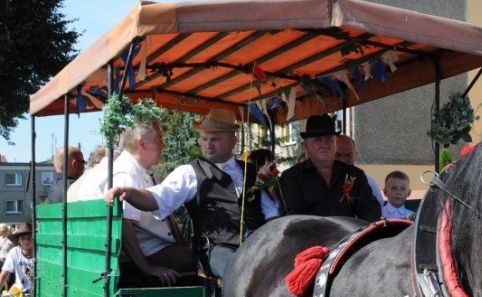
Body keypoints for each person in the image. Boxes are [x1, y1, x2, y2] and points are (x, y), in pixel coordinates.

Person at [105, 108, 279, 278]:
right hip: (215, 251)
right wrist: (128, 192)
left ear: (233, 142)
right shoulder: (189, 173)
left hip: (258, 245)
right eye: (204, 139)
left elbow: (271, 213)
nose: (208, 145)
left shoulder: (250, 171)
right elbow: (157, 198)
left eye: (215, 139)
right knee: (240, 270)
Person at [111, 121, 195, 284]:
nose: (163, 145)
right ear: (142, 143)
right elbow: (124, 225)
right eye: (159, 140)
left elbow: (167, 215)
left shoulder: (144, 169)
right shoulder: (126, 173)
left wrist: (185, 247)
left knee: (200, 256)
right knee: (206, 260)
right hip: (151, 253)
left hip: (160, 248)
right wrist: (148, 268)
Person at [279, 115, 381, 221]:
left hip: (350, 235)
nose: (324, 144)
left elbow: (370, 210)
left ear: (335, 144)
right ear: (307, 146)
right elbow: (292, 217)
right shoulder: (292, 177)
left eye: (328, 139)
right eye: (318, 140)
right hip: (308, 235)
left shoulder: (354, 175)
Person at [335, 134, 384, 206]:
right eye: (337, 155)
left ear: (355, 155)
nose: (343, 160)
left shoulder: (370, 184)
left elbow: (378, 213)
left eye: (348, 155)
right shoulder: (320, 182)